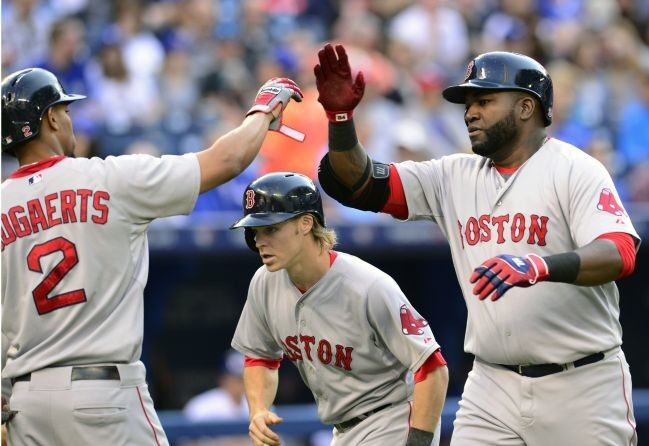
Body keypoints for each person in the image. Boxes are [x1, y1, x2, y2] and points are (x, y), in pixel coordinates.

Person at [313, 43, 640, 446]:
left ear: (526, 107)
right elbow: (358, 183)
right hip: (491, 385)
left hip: (582, 383)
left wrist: (540, 267)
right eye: (468, 102)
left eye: (484, 100)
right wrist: (340, 119)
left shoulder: (575, 170)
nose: (470, 112)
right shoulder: (453, 175)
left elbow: (620, 253)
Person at [0, 67, 303, 446]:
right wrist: (264, 109)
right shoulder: (110, 178)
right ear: (50, 118)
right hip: (101, 395)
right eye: (65, 111)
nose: (69, 119)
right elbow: (228, 160)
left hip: (25, 404)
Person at [229, 172, 449, 446]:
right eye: (255, 232)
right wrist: (259, 410)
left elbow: (432, 368)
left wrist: (418, 442)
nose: (260, 241)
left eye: (271, 229)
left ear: (306, 223)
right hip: (341, 431)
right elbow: (260, 357)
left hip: (391, 419)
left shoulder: (368, 286)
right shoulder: (264, 282)